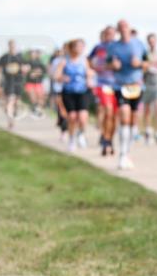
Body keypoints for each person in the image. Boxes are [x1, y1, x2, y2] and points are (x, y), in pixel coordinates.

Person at [107, 19, 148, 169]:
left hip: (136, 85)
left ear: (130, 29)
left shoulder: (139, 44)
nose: (124, 29)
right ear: (118, 30)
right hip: (120, 85)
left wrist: (140, 64)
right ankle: (122, 154)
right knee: (124, 116)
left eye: (126, 26)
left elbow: (147, 63)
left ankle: (127, 151)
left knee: (133, 119)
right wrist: (113, 65)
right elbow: (107, 64)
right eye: (121, 27)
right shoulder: (113, 47)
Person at [53, 39, 94, 152]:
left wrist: (89, 78)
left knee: (83, 117)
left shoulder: (84, 60)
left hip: (82, 91)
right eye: (78, 47)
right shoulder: (64, 61)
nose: (80, 49)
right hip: (68, 92)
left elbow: (89, 72)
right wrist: (62, 78)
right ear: (72, 48)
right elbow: (56, 75)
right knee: (72, 117)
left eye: (82, 47)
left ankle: (81, 133)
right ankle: (72, 139)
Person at [89, 27, 118, 156]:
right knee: (107, 110)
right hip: (103, 84)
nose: (109, 36)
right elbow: (89, 60)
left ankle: (109, 139)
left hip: (117, 85)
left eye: (112, 34)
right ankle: (105, 139)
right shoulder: (99, 47)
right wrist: (95, 68)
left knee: (115, 116)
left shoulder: (119, 47)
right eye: (107, 34)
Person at [0, 39, 24, 129]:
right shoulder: (4, 57)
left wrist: (25, 68)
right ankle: (10, 121)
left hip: (18, 81)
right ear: (8, 46)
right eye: (10, 45)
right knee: (10, 101)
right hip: (8, 82)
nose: (12, 47)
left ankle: (13, 115)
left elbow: (25, 67)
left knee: (16, 103)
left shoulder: (20, 57)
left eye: (13, 45)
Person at [49, 46, 69, 140]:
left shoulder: (77, 61)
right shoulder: (56, 61)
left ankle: (70, 130)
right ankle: (64, 130)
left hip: (72, 91)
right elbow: (52, 75)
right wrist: (59, 77)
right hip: (59, 89)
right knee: (62, 111)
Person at [23, 49, 48, 117]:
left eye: (34, 53)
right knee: (33, 98)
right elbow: (23, 71)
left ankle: (38, 111)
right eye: (31, 53)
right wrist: (25, 71)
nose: (32, 54)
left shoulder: (40, 62)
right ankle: (35, 111)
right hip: (29, 83)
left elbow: (44, 72)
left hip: (38, 83)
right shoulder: (26, 62)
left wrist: (36, 73)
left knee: (40, 98)